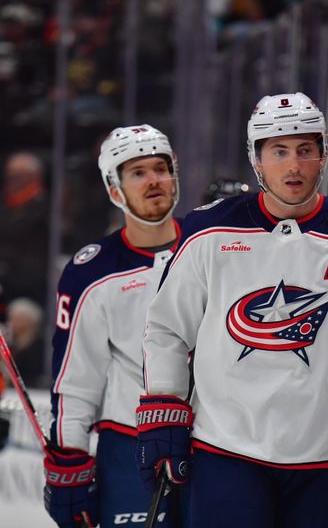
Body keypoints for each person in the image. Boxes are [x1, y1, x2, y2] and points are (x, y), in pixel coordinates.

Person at [137, 92, 328, 527]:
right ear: (256, 159)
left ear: (323, 155)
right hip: (227, 451)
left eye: (305, 150)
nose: (293, 165)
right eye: (279, 151)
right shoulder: (208, 231)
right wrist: (164, 408)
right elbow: (167, 329)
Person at [47, 124, 182, 527]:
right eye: (137, 172)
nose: (154, 180)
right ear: (114, 189)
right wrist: (70, 461)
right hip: (129, 455)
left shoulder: (213, 248)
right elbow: (76, 384)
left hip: (221, 448)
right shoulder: (91, 273)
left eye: (160, 168)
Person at [0, 151, 49, 307]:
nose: (13, 180)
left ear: (35, 176)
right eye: (10, 175)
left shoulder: (47, 207)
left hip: (30, 284)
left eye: (20, 175)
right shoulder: (5, 206)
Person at [5, 297, 45, 388]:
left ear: (30, 321)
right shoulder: (11, 344)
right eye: (11, 319)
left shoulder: (39, 347)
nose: (12, 323)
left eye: (17, 319)